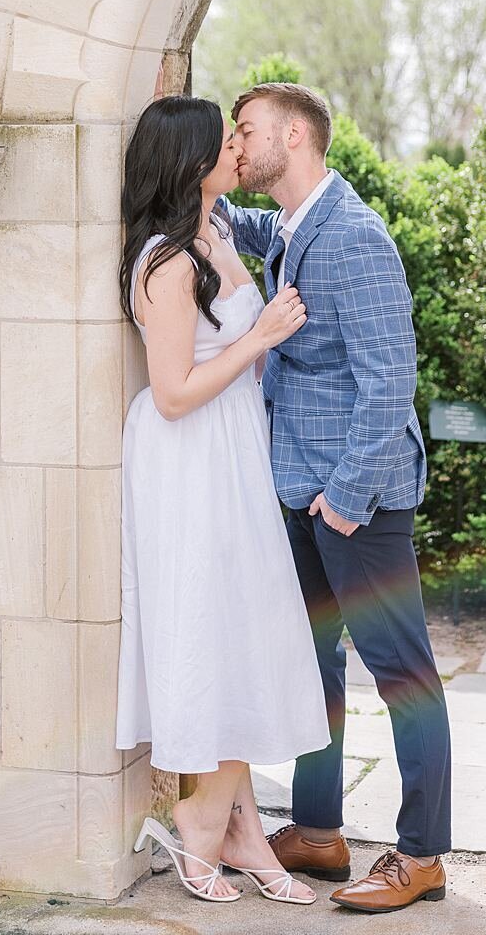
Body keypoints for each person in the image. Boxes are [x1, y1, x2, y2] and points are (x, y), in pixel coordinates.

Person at [214, 81, 453, 914]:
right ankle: (316, 828)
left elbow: (392, 383)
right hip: (301, 491)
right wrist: (198, 185)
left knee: (403, 675)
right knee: (313, 665)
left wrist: (346, 499)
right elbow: (230, 223)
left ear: (294, 135)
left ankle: (422, 853)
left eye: (245, 133)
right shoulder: (290, 223)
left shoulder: (352, 236)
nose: (239, 147)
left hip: (357, 499)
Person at [117, 94, 331, 906]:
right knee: (214, 630)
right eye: (226, 140)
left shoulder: (218, 230)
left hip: (233, 450)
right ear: (190, 159)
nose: (239, 148)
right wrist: (262, 338)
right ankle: (204, 827)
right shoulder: (166, 262)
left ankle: (235, 826)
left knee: (246, 629)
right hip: (190, 458)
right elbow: (171, 393)